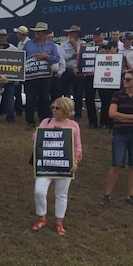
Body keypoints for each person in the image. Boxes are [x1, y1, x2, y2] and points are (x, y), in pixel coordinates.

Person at [32, 97, 82, 235]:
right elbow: (35, 138)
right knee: (39, 191)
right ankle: (41, 217)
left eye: (57, 108)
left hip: (64, 164)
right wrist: (49, 131)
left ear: (65, 110)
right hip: (46, 164)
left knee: (61, 194)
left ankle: (59, 222)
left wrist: (75, 162)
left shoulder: (73, 125)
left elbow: (77, 147)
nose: (54, 110)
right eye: (53, 107)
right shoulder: (46, 121)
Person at [100, 69, 133, 208]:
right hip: (120, 133)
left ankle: (130, 195)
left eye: (128, 79)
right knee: (116, 165)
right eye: (124, 79)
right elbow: (111, 114)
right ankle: (107, 195)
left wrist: (122, 116)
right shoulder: (117, 95)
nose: (124, 81)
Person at [23, 22, 60, 127]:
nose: (37, 34)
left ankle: (44, 120)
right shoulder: (28, 44)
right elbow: (21, 58)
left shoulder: (51, 45)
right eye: (36, 32)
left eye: (39, 32)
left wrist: (45, 56)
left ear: (44, 33)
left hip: (45, 77)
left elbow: (56, 58)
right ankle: (30, 121)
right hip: (30, 76)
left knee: (44, 98)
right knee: (30, 99)